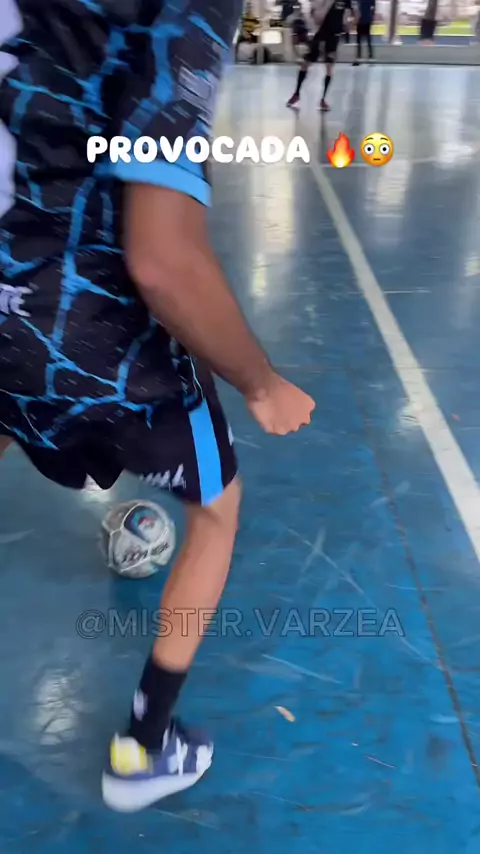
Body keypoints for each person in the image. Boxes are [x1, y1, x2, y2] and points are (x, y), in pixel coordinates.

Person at [0, 0, 315, 813]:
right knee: (216, 511)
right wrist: (260, 382)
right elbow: (162, 260)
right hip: (89, 332)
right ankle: (144, 748)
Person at [286, 0, 354, 112]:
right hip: (319, 32)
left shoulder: (346, 2)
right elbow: (313, 11)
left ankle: (323, 99)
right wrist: (313, 26)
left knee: (329, 66)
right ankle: (296, 94)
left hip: (333, 35)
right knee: (307, 62)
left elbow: (349, 14)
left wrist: (346, 25)